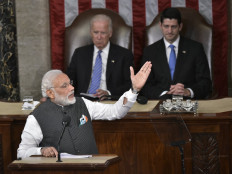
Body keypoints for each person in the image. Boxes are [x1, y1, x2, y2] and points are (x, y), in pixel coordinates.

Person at [17, 61, 152, 159]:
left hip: (91, 169)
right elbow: (22, 152)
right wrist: (41, 150)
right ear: (50, 93)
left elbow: (115, 111)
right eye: (65, 86)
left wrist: (134, 90)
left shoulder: (84, 104)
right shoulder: (36, 117)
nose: (71, 88)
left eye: (70, 83)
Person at [141, 7, 212, 100]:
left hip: (188, 104)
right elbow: (145, 85)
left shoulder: (195, 49)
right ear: (160, 26)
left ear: (180, 26)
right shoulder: (149, 51)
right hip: (160, 104)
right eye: (166, 26)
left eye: (173, 26)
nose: (169, 31)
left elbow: (206, 83)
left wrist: (188, 91)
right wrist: (165, 93)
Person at [67, 14, 134, 99]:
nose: (99, 37)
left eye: (103, 33)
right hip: (83, 101)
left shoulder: (124, 55)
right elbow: (69, 80)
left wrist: (108, 93)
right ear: (91, 33)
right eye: (95, 32)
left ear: (110, 33)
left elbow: (130, 84)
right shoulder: (79, 53)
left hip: (110, 101)